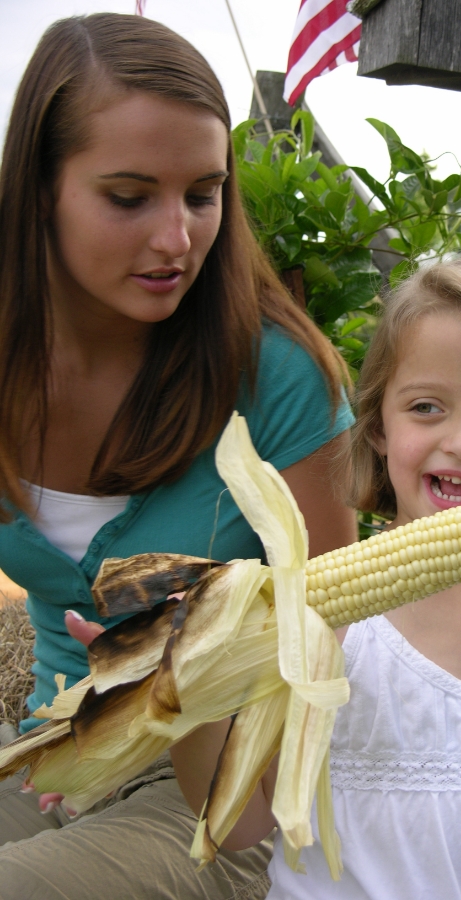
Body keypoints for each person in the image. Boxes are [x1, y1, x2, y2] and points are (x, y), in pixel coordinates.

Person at [0, 12, 356, 900]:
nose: (177, 238)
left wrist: (193, 664)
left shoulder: (275, 375)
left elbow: (333, 628)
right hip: (53, 748)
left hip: (227, 789)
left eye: (203, 193)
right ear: (38, 188)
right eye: (130, 197)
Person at [194, 258, 461, 899]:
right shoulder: (311, 620)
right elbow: (242, 824)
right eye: (426, 407)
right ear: (379, 425)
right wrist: (184, 698)